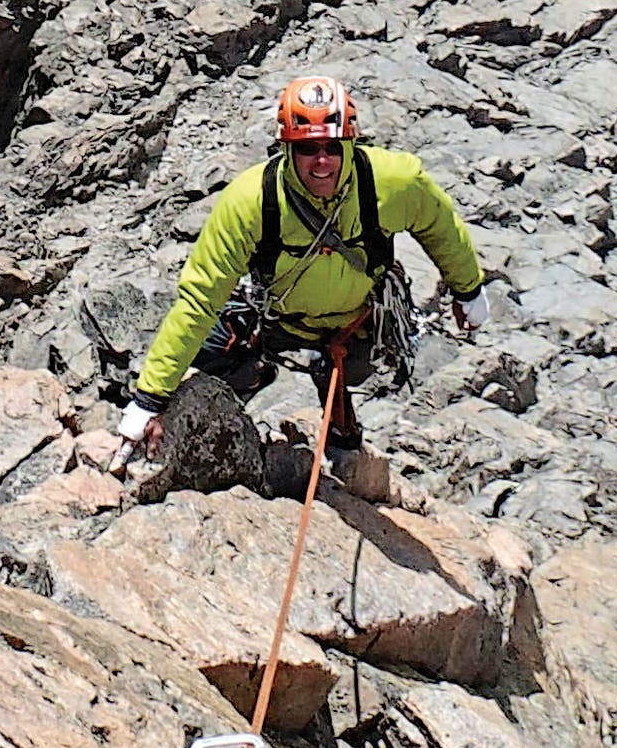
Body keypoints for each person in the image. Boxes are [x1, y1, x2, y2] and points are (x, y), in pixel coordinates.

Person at [120, 75, 482, 496]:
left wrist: (468, 288)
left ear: (351, 141)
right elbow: (200, 300)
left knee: (347, 369)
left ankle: (340, 417)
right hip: (276, 318)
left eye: (332, 147)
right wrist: (150, 397)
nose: (322, 161)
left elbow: (441, 227)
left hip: (356, 326)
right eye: (307, 148)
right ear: (287, 146)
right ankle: (250, 386)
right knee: (214, 342)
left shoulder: (394, 182)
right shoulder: (251, 201)